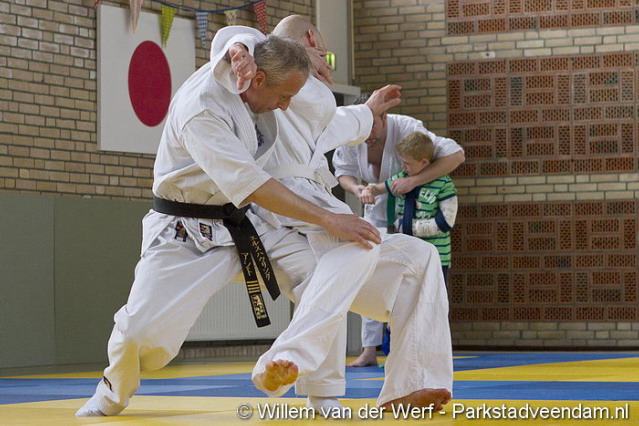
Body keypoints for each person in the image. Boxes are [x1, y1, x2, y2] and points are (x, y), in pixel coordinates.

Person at [76, 34, 386, 417]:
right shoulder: (203, 109)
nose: (285, 106)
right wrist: (328, 217)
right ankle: (112, 391)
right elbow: (254, 186)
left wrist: (244, 44)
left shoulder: (249, 63)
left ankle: (321, 392)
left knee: (322, 274)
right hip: (185, 230)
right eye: (283, 96)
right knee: (142, 333)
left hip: (245, 221)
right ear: (259, 80)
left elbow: (242, 36)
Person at [213, 17, 453, 411]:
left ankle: (410, 384)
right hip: (279, 204)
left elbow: (331, 128)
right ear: (311, 38)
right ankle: (288, 359)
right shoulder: (261, 71)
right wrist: (274, 52)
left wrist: (368, 110)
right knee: (354, 246)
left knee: (419, 257)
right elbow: (236, 37)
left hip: (309, 201)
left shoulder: (301, 96)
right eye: (321, 51)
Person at [333, 103, 464, 368]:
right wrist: (359, 189)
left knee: (414, 292)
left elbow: (456, 155)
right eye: (363, 126)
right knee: (369, 277)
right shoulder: (351, 131)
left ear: (384, 117)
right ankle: (370, 349)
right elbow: (345, 173)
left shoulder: (407, 129)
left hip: (415, 226)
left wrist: (413, 182)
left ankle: (416, 350)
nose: (367, 133)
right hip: (378, 215)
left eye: (373, 125)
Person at [362, 131, 458, 282]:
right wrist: (369, 190)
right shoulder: (402, 177)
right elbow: (380, 188)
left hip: (436, 256)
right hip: (407, 254)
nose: (403, 167)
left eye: (407, 163)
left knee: (433, 295)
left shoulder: (444, 183)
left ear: (424, 162)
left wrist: (407, 227)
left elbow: (446, 222)